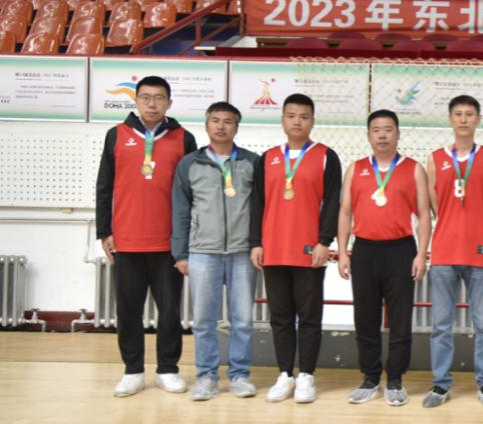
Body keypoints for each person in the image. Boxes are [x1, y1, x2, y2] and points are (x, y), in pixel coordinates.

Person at [96, 76, 197, 398]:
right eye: (146, 98)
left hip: (169, 243)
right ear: (136, 101)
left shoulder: (184, 138)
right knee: (128, 311)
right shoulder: (116, 135)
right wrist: (104, 231)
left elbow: (193, 193)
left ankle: (167, 369)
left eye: (159, 98)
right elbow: (104, 186)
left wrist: (187, 239)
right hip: (127, 240)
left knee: (170, 311)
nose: (152, 104)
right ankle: (133, 371)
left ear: (169, 102)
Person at [252, 93, 341, 405]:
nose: (297, 122)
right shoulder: (267, 158)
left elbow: (333, 202)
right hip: (274, 249)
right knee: (280, 317)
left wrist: (324, 241)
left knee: (309, 317)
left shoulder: (326, 156)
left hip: (309, 251)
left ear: (312, 121)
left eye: (303, 117)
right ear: (282, 121)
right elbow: (257, 203)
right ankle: (284, 374)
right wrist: (256, 242)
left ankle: (306, 375)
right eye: (291, 116)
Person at [337, 110, 431, 407]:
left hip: (400, 250)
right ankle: (370, 378)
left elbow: (424, 214)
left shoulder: (413, 169)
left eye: (388, 129)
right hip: (364, 250)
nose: (382, 135)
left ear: (398, 134)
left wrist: (421, 254)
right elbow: (345, 212)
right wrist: (343, 251)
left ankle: (395, 380)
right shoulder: (356, 169)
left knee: (400, 320)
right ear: (368, 135)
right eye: (376, 129)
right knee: (365, 318)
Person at [171, 102, 262, 402]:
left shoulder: (252, 162)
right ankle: (207, 376)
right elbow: (180, 210)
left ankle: (239, 375)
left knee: (243, 320)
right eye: (215, 120)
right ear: (207, 125)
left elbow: (261, 208)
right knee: (203, 321)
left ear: (237, 127)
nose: (221, 126)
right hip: (202, 251)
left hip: (242, 252)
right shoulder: (190, 164)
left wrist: (258, 244)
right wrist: (181, 253)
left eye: (228, 121)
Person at [424, 95, 483, 409]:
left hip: (480, 252)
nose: (464, 119)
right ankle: (441, 384)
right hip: (444, 251)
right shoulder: (434, 159)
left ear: (478, 119)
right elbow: (434, 204)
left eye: (470, 114)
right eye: (458, 114)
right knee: (441, 325)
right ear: (450, 119)